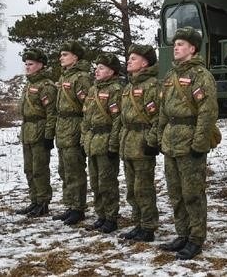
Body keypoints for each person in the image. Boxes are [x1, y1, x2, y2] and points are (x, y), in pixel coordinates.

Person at [153, 26, 218, 260]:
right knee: (175, 193)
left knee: (193, 194)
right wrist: (159, 136)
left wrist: (200, 143)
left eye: (180, 44)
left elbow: (208, 112)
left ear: (192, 48)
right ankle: (182, 234)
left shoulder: (201, 75)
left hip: (190, 141)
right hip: (171, 141)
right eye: (175, 44)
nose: (175, 48)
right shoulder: (170, 76)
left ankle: (196, 238)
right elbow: (162, 110)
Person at [118, 44, 160, 242]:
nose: (128, 61)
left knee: (144, 188)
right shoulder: (128, 87)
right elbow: (122, 117)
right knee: (131, 188)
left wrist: (151, 142)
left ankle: (148, 226)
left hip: (142, 142)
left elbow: (158, 117)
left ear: (144, 63)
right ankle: (138, 223)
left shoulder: (152, 86)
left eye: (133, 58)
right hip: (128, 143)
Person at [80, 52, 123, 233]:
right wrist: (83, 141)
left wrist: (113, 145)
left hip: (105, 142)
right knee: (96, 182)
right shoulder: (93, 90)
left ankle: (111, 217)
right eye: (96, 67)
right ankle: (101, 215)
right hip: (92, 142)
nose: (96, 71)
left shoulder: (115, 90)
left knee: (107, 183)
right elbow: (86, 119)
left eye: (101, 68)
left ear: (112, 71)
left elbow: (117, 120)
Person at [52, 40, 92, 226]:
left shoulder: (81, 78)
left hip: (75, 126)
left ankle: (78, 208)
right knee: (64, 169)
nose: (61, 57)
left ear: (75, 57)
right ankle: (70, 205)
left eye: (65, 54)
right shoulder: (64, 77)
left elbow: (88, 107)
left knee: (75, 169)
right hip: (63, 127)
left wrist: (83, 133)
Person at [16, 48, 57, 218]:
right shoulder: (29, 84)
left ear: (41, 65)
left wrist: (49, 135)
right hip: (27, 131)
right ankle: (34, 200)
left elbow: (52, 113)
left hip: (40, 131)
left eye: (31, 64)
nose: (27, 67)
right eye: (26, 64)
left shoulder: (46, 86)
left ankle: (43, 202)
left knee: (40, 169)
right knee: (29, 169)